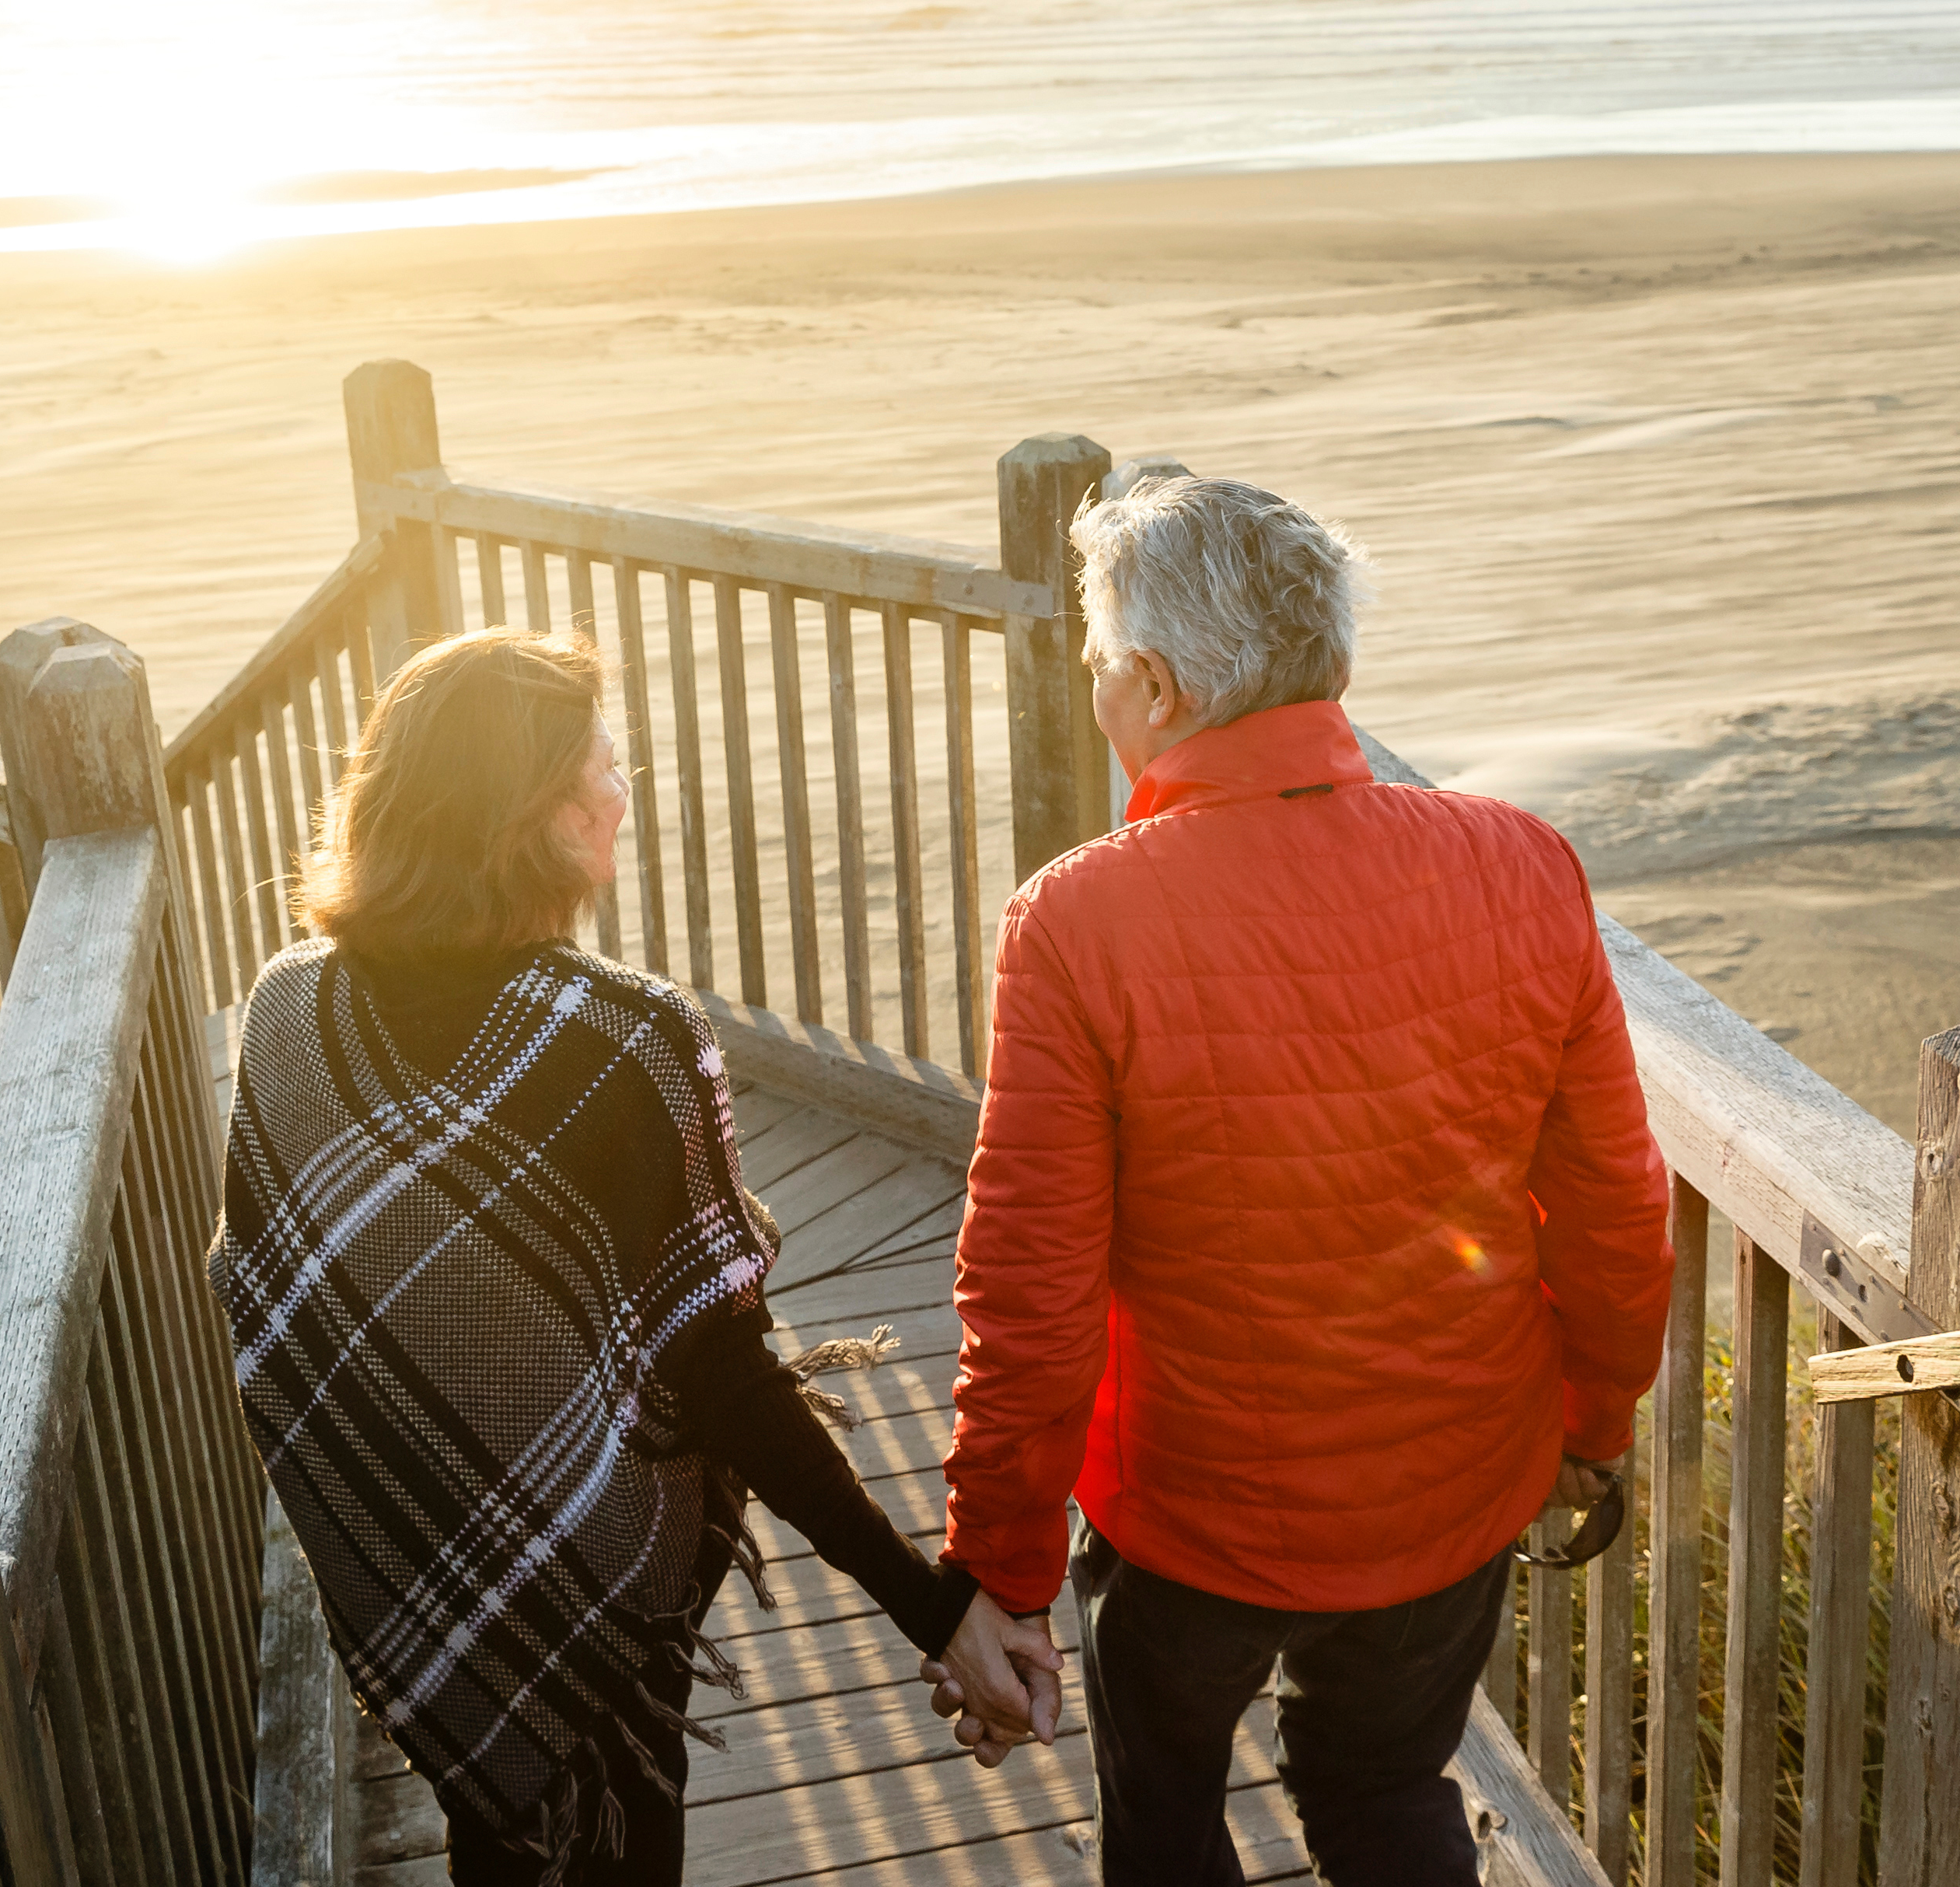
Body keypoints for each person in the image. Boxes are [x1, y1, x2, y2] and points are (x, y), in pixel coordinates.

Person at [208, 627, 1064, 1887]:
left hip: (415, 1554)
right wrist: (930, 1608)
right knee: (614, 1840)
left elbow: (275, 1320)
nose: (622, 792)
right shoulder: (627, 1041)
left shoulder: (287, 1011)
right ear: (534, 818)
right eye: (602, 767)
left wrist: (416, 1491)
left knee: (494, 1845)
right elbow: (721, 1371)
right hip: (597, 1587)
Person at [930, 476, 1672, 1885]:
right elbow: (1612, 1202)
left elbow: (1029, 1287)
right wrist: (1593, 1415)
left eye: (1098, 667)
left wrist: (999, 1569)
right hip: (1456, 1481)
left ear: (1150, 684)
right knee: (1388, 1791)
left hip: (1192, 1515)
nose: (1098, 691)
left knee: (1162, 1819)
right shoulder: (1519, 859)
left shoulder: (1080, 919)